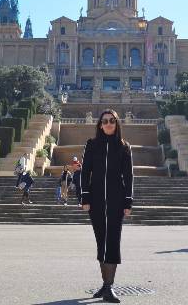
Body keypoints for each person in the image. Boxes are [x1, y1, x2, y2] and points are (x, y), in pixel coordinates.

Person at [81, 109, 133, 303]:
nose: (108, 124)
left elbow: (128, 176)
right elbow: (85, 172)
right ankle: (104, 285)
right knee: (100, 241)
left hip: (116, 200)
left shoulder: (124, 146)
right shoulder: (92, 145)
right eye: (105, 121)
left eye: (112, 121)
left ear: (117, 124)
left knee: (112, 241)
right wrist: (84, 198)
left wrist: (128, 201)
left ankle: (109, 287)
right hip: (95, 200)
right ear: (100, 125)